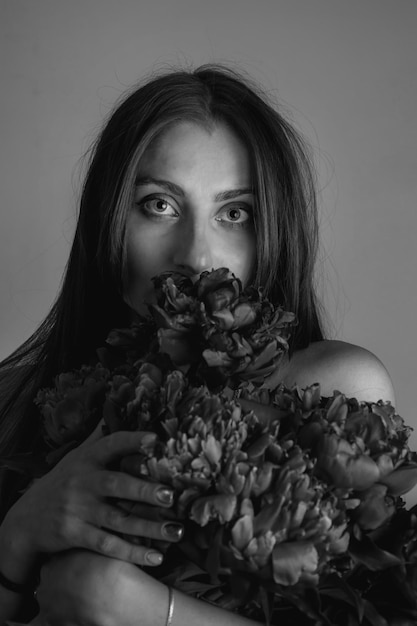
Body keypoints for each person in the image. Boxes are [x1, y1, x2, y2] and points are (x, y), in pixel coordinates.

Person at [0, 64, 395, 625]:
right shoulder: (15, 400)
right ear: (107, 220)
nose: (198, 256)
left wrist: (134, 606)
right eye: (159, 205)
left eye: (235, 214)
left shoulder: (331, 389)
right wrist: (15, 542)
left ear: (273, 234)